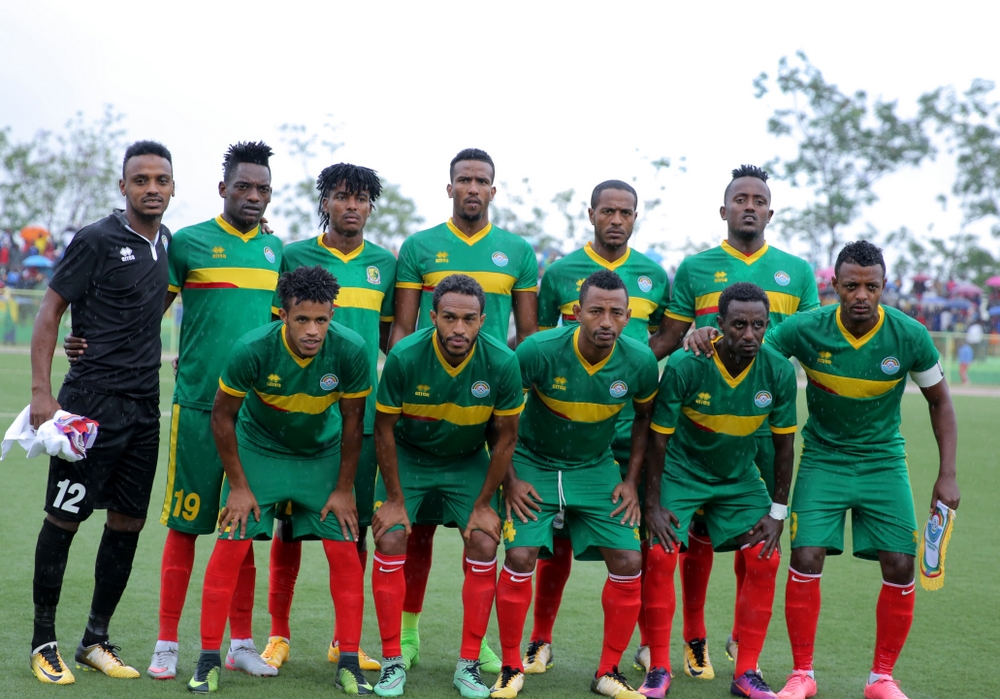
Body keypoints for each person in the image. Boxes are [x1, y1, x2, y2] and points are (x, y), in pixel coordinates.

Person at [63, 142, 283, 680]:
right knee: (185, 526)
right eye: (243, 187)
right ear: (222, 189)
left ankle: (241, 643)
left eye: (262, 189)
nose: (253, 196)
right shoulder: (186, 243)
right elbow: (144, 311)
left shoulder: (277, 251)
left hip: (257, 416)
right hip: (199, 405)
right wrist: (89, 340)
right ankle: (166, 643)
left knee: (246, 532)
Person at [646, 164, 819, 678]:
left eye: (758, 199)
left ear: (770, 211)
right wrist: (682, 341)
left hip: (764, 419)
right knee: (695, 530)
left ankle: (745, 647)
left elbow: (809, 341)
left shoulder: (797, 271)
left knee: (760, 535)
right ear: (724, 210)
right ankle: (693, 638)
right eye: (740, 199)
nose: (749, 206)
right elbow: (671, 336)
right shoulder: (696, 268)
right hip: (705, 419)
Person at [767, 241, 959, 699]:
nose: (861, 295)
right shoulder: (807, 329)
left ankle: (881, 679)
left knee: (901, 563)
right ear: (834, 285)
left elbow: (940, 402)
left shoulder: (909, 335)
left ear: (884, 286)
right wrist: (707, 337)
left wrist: (947, 474)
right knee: (805, 556)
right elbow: (754, 350)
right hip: (823, 459)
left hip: (883, 462)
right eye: (851, 285)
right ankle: (802, 675)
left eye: (871, 287)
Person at [27, 141, 175, 684]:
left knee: (128, 522)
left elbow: (151, 303)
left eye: (161, 180)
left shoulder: (166, 242)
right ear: (123, 187)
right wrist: (42, 394)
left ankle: (94, 639)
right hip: (89, 404)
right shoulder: (95, 238)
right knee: (65, 518)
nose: (152, 188)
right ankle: (43, 643)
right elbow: (50, 311)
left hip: (143, 407)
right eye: (141, 180)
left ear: (173, 187)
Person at [187, 265, 372, 694]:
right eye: (302, 319)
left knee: (345, 549)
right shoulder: (252, 348)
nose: (313, 330)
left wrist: (343, 489)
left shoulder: (351, 349)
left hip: (320, 455)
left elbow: (353, 422)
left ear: (332, 315)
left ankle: (348, 662)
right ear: (283, 315)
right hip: (261, 451)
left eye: (321, 320)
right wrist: (238, 486)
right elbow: (222, 416)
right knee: (231, 543)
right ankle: (208, 659)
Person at [389, 148, 538, 671]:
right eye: (464, 180)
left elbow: (527, 335)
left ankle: (478, 643)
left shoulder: (517, 251)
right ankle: (407, 635)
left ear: (493, 190)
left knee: (481, 532)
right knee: (417, 533)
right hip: (425, 408)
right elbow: (402, 329)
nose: (472, 188)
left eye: (481, 181)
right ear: (449, 187)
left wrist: (502, 387)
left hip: (484, 408)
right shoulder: (420, 246)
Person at [491, 269, 659, 699]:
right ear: (576, 312)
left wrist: (630, 481)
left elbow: (643, 419)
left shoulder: (639, 361)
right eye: (596, 311)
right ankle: (510, 667)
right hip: (533, 463)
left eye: (616, 313)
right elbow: (499, 416)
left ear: (628, 317)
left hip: (595, 467)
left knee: (629, 560)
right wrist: (510, 479)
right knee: (521, 553)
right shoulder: (538, 350)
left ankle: (608, 671)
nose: (606, 321)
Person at [526, 179, 669, 674]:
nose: (616, 219)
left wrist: (629, 370)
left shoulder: (654, 275)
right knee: (556, 539)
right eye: (607, 211)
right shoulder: (560, 273)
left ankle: (649, 644)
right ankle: (539, 640)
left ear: (635, 217)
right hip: (570, 429)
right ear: (591, 215)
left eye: (625, 212)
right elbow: (541, 340)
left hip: (631, 427)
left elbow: (667, 333)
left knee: (639, 536)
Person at [261, 163, 395, 673]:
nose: (352, 206)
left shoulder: (385, 263)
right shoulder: (293, 256)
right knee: (288, 529)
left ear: (370, 206)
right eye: (342, 196)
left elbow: (390, 340)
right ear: (326, 202)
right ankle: (278, 635)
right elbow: (274, 334)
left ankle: (346, 640)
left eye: (361, 199)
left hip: (359, 419)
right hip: (300, 418)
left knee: (352, 529)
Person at [640, 282, 797, 699]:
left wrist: (777, 512)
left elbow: (784, 447)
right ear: (720, 323)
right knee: (660, 552)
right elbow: (658, 441)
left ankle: (746, 673)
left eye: (758, 325)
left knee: (765, 556)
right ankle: (658, 669)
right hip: (683, 470)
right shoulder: (686, 364)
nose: (749, 334)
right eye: (739, 324)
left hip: (737, 477)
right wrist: (652, 505)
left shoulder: (778, 371)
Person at [370, 273, 523, 698]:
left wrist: (484, 504)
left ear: (482, 321)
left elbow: (505, 438)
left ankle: (468, 664)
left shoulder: (501, 361)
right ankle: (392, 661)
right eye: (449, 317)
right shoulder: (405, 356)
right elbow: (384, 430)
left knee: (485, 541)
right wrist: (395, 499)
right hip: (410, 456)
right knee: (390, 536)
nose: (459, 328)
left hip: (465, 459)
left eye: (469, 319)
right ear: (432, 316)